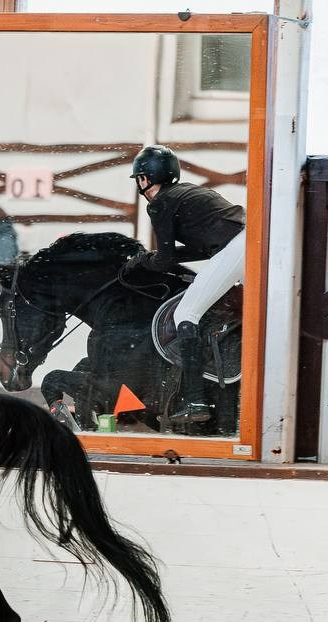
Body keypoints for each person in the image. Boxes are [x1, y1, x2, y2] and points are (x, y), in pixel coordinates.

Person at [125, 144, 245, 424]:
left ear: (144, 179)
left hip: (237, 248)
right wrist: (149, 258)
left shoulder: (160, 203)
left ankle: (195, 399)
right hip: (248, 243)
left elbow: (165, 260)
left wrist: (140, 263)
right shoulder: (188, 192)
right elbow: (203, 250)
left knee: (185, 314)